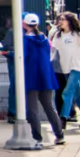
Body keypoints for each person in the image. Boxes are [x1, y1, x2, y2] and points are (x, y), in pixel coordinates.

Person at [19, 14, 65, 149]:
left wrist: (4, 53)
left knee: (32, 110)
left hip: (31, 77)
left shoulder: (24, 40)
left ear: (24, 24)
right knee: (49, 107)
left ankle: (37, 138)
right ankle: (60, 134)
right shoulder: (44, 39)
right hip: (46, 77)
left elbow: (22, 57)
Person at [52, 12, 80, 129]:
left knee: (67, 92)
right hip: (64, 68)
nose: (60, 21)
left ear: (69, 21)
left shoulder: (76, 35)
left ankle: (63, 119)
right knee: (77, 95)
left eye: (63, 19)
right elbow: (52, 51)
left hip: (76, 68)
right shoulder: (58, 35)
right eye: (60, 19)